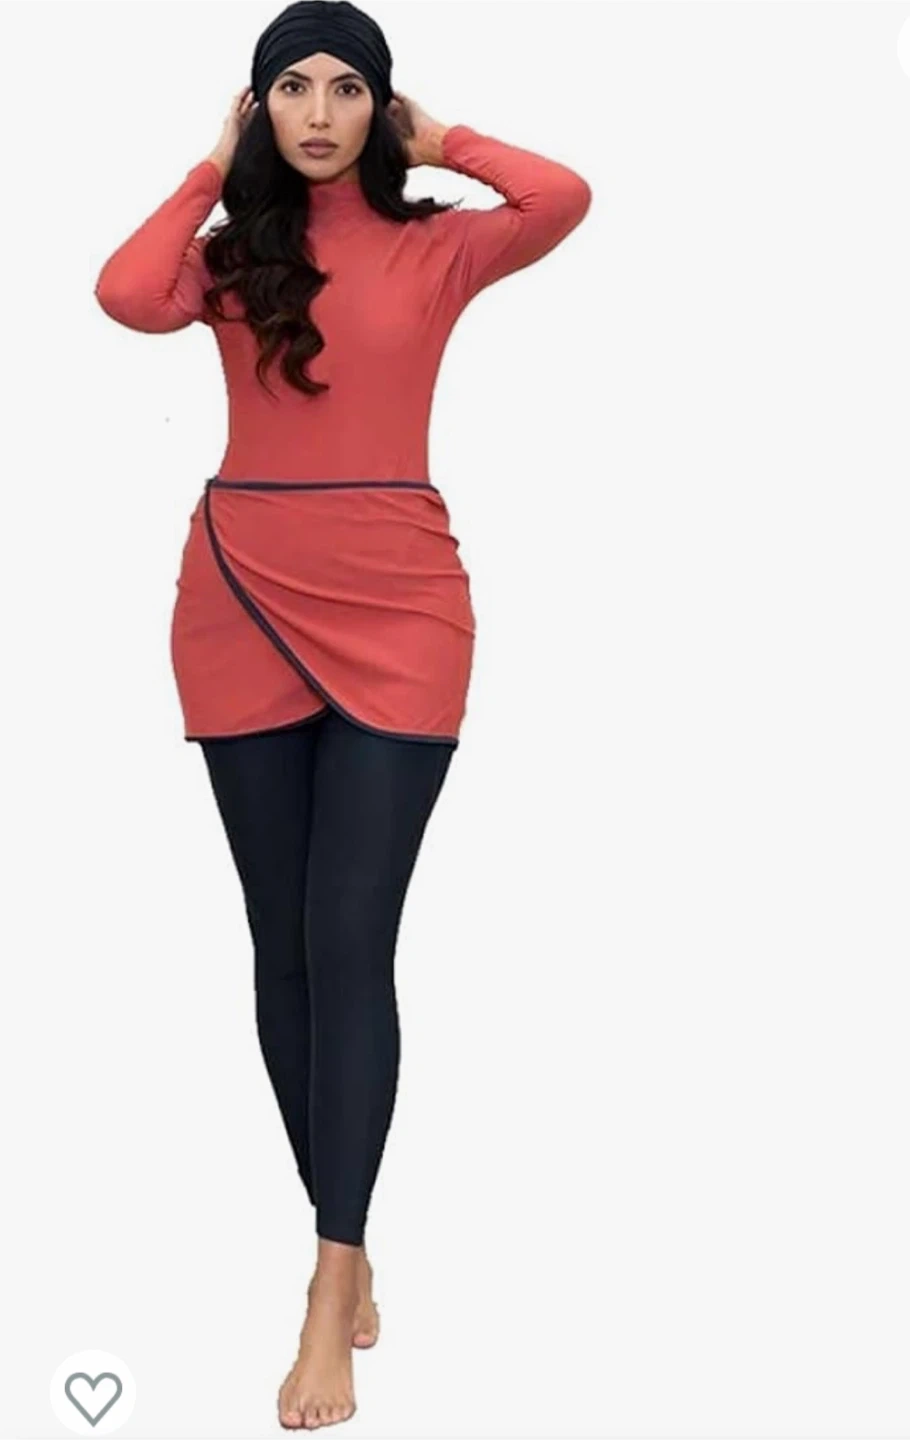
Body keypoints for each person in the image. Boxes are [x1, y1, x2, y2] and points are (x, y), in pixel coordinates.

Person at [94, 0, 592, 1428]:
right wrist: (211, 166)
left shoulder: (441, 245)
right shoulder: (229, 258)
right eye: (292, 89)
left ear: (382, 106)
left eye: (348, 88)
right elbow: (123, 296)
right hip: (238, 596)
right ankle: (347, 1229)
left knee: (350, 939)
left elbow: (561, 195)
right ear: (260, 107)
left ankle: (327, 1287)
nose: (320, 113)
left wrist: (446, 139)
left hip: (400, 608)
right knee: (283, 949)